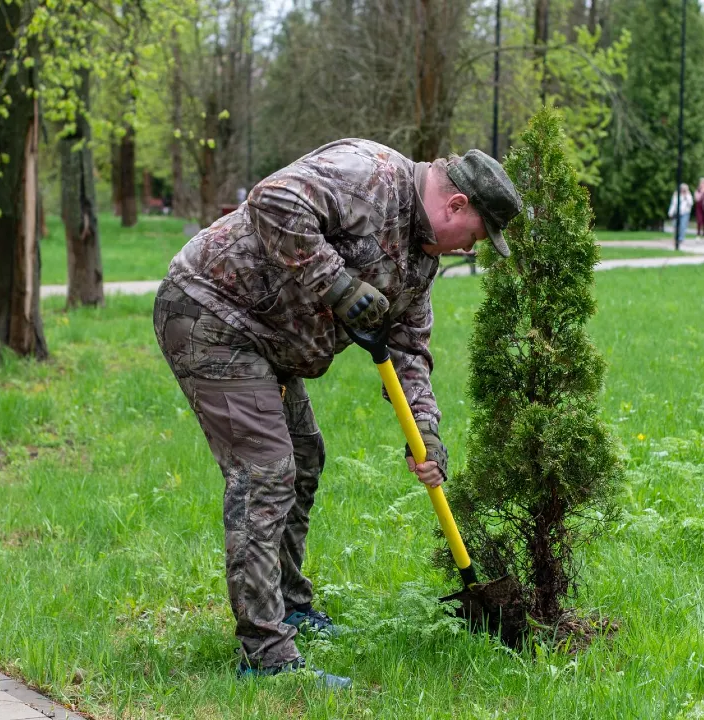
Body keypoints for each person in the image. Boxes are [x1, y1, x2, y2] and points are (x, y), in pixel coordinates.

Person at [151, 140, 522, 687]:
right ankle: (265, 655)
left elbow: (410, 351)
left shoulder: (422, 261)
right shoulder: (368, 175)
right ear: (457, 205)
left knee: (303, 457)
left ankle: (291, 607)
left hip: (269, 340)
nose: (470, 251)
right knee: (267, 472)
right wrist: (339, 284)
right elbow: (273, 200)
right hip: (211, 311)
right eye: (476, 238)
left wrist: (427, 435)